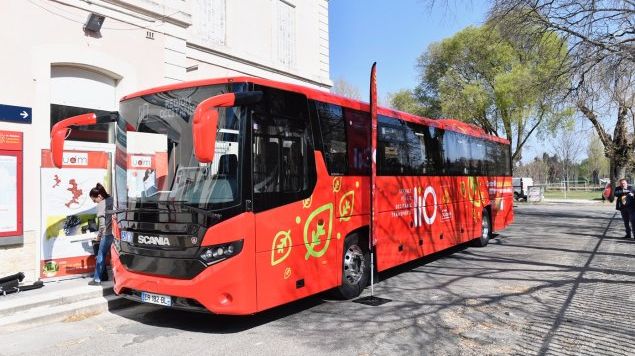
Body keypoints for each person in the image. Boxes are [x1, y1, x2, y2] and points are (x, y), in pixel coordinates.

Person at [88, 183, 114, 286]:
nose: (95, 202)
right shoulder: (112, 200)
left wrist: (98, 237)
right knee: (115, 257)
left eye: (94, 200)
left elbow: (102, 226)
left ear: (99, 196)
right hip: (116, 233)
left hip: (107, 234)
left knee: (101, 256)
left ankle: (97, 279)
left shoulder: (101, 205)